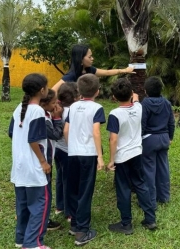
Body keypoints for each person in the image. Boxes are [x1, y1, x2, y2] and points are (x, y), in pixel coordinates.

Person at [106, 78, 156, 235]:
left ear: (114, 97)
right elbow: (136, 99)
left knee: (123, 189)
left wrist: (111, 160)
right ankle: (150, 219)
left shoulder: (114, 114)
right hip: (137, 153)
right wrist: (133, 96)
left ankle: (126, 224)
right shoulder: (139, 108)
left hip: (122, 157)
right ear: (131, 93)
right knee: (141, 184)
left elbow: (113, 139)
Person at [8, 73, 52, 249]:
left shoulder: (18, 108)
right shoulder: (38, 111)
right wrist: (43, 161)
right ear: (42, 90)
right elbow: (33, 139)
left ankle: (21, 239)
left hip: (19, 166)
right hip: (34, 167)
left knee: (23, 205)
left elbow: (12, 133)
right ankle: (33, 243)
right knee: (39, 205)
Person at [63, 74, 105, 246]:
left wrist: (72, 145)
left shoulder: (72, 107)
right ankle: (82, 232)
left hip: (72, 154)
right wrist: (100, 157)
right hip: (88, 155)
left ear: (78, 90)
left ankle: (74, 224)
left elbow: (66, 130)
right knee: (85, 192)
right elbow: (96, 132)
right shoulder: (97, 108)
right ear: (97, 91)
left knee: (73, 189)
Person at [141, 76, 175, 210]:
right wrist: (170, 137)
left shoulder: (145, 103)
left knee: (149, 170)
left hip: (149, 139)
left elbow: (142, 123)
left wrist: (140, 138)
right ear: (161, 89)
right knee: (163, 168)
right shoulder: (167, 103)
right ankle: (164, 196)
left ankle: (150, 200)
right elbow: (171, 122)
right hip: (164, 138)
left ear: (145, 91)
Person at [52, 44, 135, 92]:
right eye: (90, 57)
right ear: (80, 59)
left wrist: (125, 70)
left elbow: (107, 72)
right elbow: (53, 91)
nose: (92, 59)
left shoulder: (90, 70)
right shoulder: (71, 76)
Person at [54, 82, 79, 220]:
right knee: (69, 181)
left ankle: (60, 205)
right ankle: (69, 212)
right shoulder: (72, 112)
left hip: (58, 149)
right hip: (68, 151)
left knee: (60, 177)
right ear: (75, 97)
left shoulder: (58, 109)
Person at [39, 89, 64, 231]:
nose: (56, 105)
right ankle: (44, 222)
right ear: (44, 103)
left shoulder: (40, 113)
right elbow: (56, 135)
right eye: (54, 102)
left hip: (43, 158)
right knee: (45, 193)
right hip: (44, 160)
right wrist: (57, 118)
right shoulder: (42, 117)